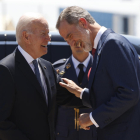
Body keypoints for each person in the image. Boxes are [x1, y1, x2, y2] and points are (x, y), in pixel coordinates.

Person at [56, 6, 140, 140]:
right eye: (67, 41)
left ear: (83, 23)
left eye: (70, 36)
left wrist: (92, 118)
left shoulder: (112, 44)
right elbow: (108, 94)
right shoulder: (102, 47)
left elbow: (128, 94)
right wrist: (81, 92)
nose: (71, 43)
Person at [0, 13, 63, 140]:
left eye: (48, 33)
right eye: (43, 33)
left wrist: (86, 95)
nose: (48, 38)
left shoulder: (48, 67)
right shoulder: (6, 69)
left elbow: (65, 96)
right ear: (26, 36)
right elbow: (2, 122)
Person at [53, 42, 97, 140]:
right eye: (73, 38)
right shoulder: (56, 69)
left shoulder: (101, 68)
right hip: (64, 135)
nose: (78, 42)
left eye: (82, 38)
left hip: (94, 134)